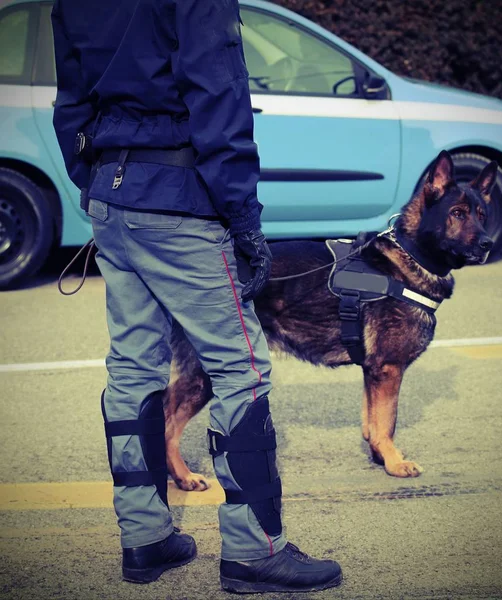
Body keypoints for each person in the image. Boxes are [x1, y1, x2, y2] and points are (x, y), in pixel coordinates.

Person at [51, 0, 342, 593]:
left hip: (113, 195)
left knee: (134, 369)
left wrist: (99, 180)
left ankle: (146, 540)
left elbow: (71, 100)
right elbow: (219, 93)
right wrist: (244, 220)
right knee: (243, 371)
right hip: (179, 198)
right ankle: (254, 552)